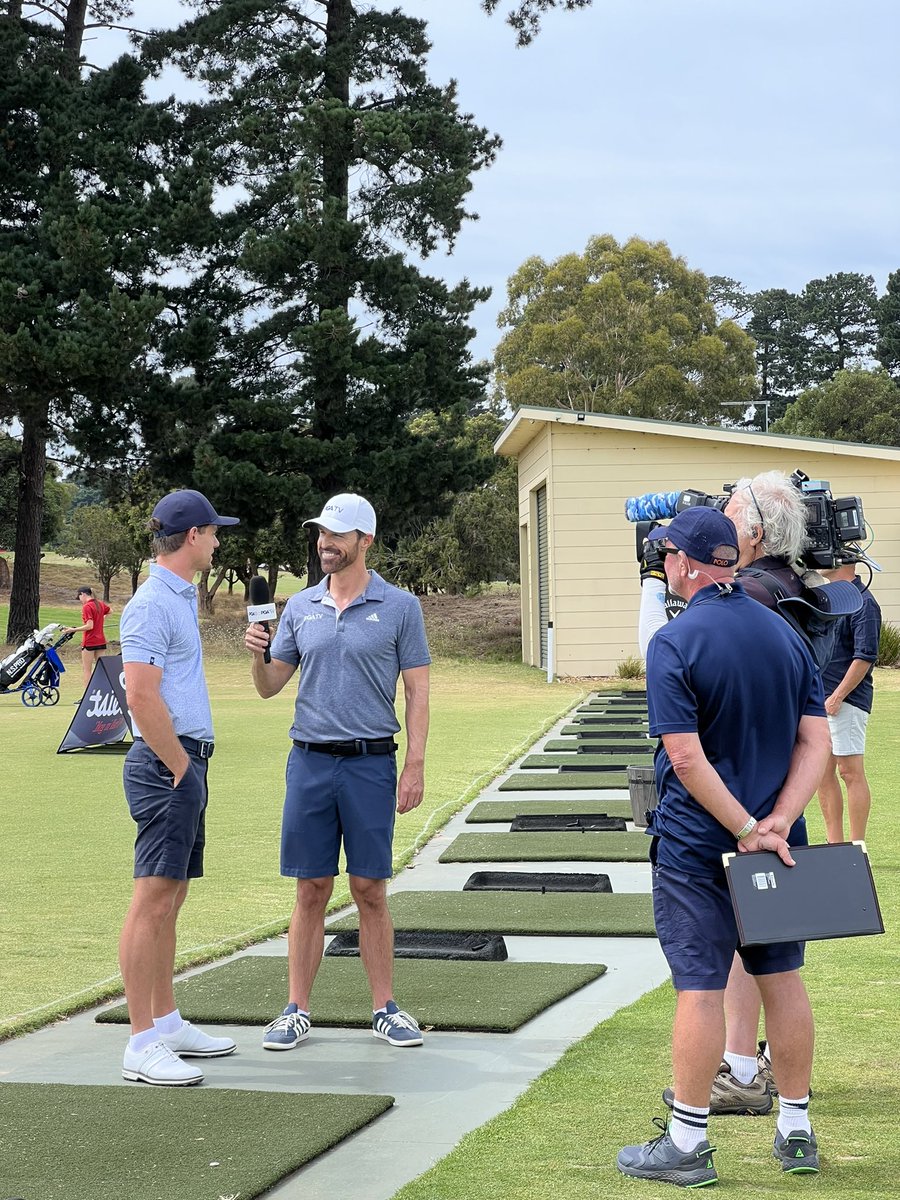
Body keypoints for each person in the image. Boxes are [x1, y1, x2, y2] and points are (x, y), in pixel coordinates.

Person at [617, 507, 831, 1186]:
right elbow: (815, 741)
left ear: (681, 563)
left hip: (698, 846)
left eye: (666, 558)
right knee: (781, 978)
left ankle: (686, 1145)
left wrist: (743, 827)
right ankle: (796, 1132)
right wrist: (776, 823)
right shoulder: (784, 631)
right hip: (779, 844)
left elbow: (684, 756)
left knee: (701, 988)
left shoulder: (675, 641)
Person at [245, 492, 431, 1051]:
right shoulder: (300, 608)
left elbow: (417, 690)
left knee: (369, 888)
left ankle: (385, 1008)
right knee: (311, 888)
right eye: (321, 534)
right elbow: (269, 685)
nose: (325, 543)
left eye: (337, 535)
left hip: (372, 762)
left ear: (364, 541)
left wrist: (415, 764)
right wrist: (256, 653)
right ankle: (296, 1009)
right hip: (309, 761)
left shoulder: (400, 607)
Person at [118, 489, 240, 1086]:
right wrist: (182, 768)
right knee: (153, 899)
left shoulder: (177, 597)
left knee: (174, 896)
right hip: (168, 764)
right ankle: (141, 1043)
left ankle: (165, 1021)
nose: (218, 541)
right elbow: (138, 694)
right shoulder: (150, 604)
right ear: (193, 536)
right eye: (214, 532)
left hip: (184, 762)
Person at [816, 554, 882, 843]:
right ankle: (835, 844)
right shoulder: (826, 599)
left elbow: (864, 656)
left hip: (847, 701)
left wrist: (838, 696)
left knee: (849, 771)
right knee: (821, 772)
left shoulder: (864, 602)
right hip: (821, 699)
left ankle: (856, 844)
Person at [65, 586, 112, 692]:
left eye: (79, 597)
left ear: (83, 594)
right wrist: (101, 620)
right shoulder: (99, 603)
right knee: (101, 669)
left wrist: (73, 630)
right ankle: (104, 691)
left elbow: (89, 626)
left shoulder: (87, 607)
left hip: (90, 641)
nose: (80, 600)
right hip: (101, 641)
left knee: (87, 670)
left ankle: (87, 695)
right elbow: (110, 611)